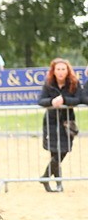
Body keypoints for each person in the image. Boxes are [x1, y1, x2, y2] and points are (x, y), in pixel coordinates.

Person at [37, 58, 81, 193]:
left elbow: (78, 99)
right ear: (53, 71)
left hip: (67, 122)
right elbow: (40, 100)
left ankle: (45, 176)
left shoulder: (73, 83)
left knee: (64, 150)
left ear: (68, 71)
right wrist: (52, 101)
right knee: (54, 152)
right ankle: (58, 183)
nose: (61, 72)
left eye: (63, 69)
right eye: (58, 69)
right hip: (51, 122)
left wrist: (65, 100)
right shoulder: (49, 84)